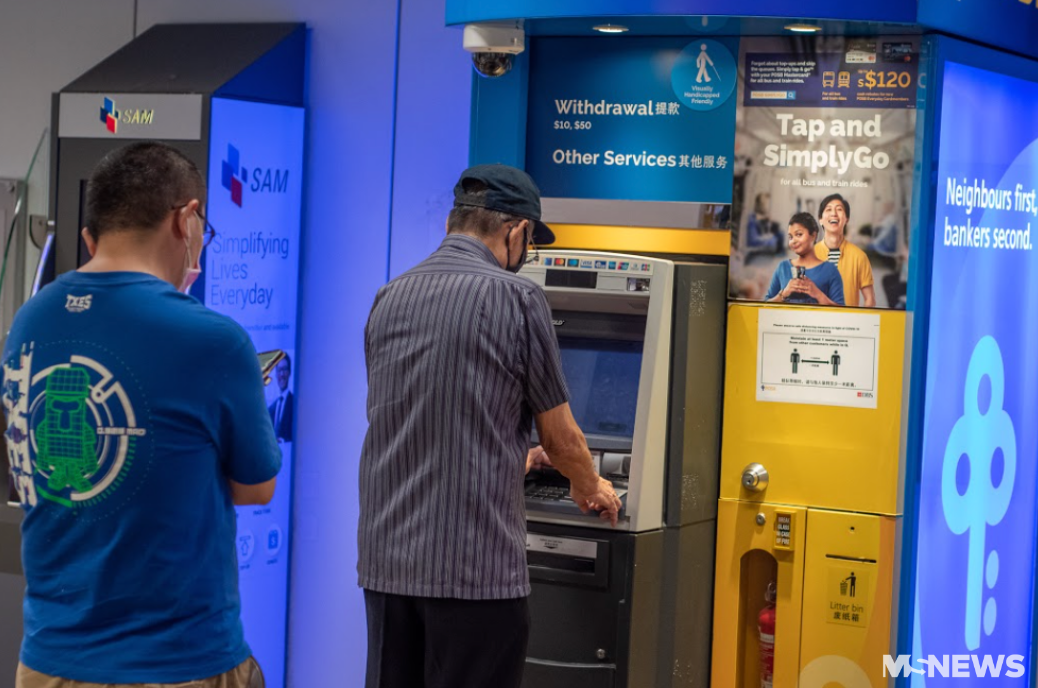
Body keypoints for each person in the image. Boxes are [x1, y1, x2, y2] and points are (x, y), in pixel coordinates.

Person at [2, 142, 281, 688]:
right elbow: (255, 487)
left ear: (90, 237)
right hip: (179, 662)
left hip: (49, 661)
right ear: (186, 219)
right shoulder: (213, 340)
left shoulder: (29, 321)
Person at [357, 164, 622, 688]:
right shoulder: (517, 298)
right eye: (532, 244)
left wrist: (514, 455)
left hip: (387, 569)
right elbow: (561, 438)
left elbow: (418, 419)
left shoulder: (389, 296)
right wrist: (589, 484)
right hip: (473, 572)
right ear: (517, 230)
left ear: (453, 222)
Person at [765, 213, 845, 306]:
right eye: (790, 237)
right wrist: (783, 294)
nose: (793, 241)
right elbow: (764, 306)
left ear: (813, 235)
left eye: (799, 234)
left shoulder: (830, 270)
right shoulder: (783, 267)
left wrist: (818, 295)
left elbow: (841, 310)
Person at [813, 193, 876, 307]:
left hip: (848, 318)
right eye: (828, 209)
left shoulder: (859, 256)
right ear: (820, 219)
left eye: (839, 209)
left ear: (847, 219)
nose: (834, 213)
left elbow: (870, 300)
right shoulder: (809, 255)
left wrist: (858, 318)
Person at [268, 354, 293, 442]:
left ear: (289, 372)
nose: (282, 374)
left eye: (285, 369)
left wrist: (282, 441)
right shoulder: (271, 409)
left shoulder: (295, 404)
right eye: (279, 370)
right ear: (276, 374)